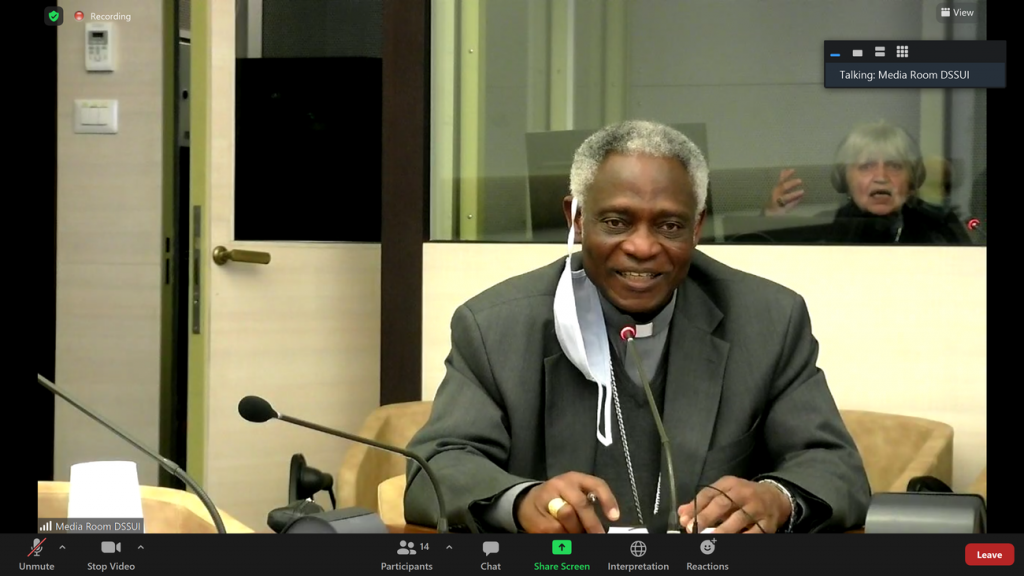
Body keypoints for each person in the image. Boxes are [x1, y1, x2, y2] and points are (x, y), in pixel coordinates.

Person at [405, 120, 871, 534]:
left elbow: (834, 466)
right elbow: (438, 466)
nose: (643, 247)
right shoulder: (495, 328)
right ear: (576, 219)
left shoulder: (768, 321)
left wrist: (776, 498)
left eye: (669, 226)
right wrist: (522, 501)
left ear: (697, 227)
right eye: (616, 222)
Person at [763, 121, 971, 244]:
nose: (881, 176)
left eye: (894, 166)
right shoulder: (824, 228)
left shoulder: (940, 230)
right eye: (866, 166)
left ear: (912, 179)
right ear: (845, 179)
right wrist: (771, 218)